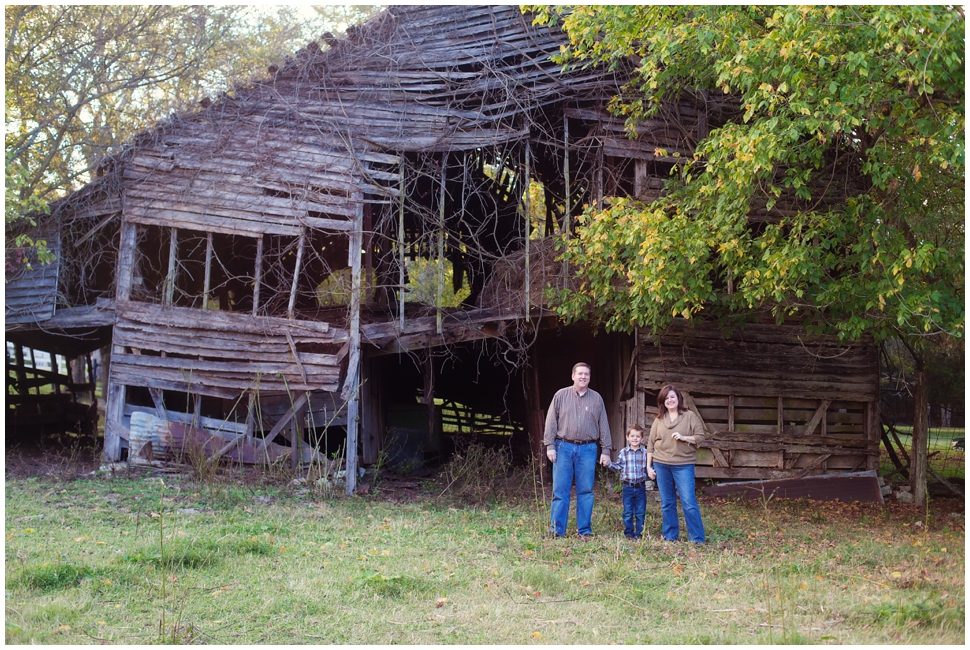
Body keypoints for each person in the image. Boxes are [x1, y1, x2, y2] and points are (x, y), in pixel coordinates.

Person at [543, 362, 612, 538]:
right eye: (580, 373)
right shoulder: (560, 395)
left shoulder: (597, 398)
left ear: (589, 377)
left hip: (588, 449)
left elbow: (603, 424)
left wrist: (606, 450)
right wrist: (550, 446)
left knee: (586, 490)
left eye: (586, 374)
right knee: (560, 490)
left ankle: (585, 531)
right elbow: (550, 421)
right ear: (572, 376)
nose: (583, 377)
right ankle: (556, 531)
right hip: (563, 447)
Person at [646, 384, 706, 543]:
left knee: (688, 501)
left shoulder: (689, 416)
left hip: (683, 465)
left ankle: (697, 539)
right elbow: (651, 444)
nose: (669, 400)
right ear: (662, 401)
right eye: (666, 398)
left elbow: (700, 437)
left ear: (678, 398)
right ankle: (670, 536)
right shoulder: (659, 419)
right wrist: (648, 467)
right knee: (667, 502)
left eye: (672, 397)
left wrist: (684, 438)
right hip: (661, 464)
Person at [605, 424, 648, 539]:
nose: (635, 438)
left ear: (642, 439)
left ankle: (639, 533)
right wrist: (609, 464)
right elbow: (618, 466)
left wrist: (651, 473)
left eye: (638, 436)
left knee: (640, 511)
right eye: (632, 436)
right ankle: (628, 533)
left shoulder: (645, 453)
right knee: (628, 511)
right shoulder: (624, 452)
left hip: (640, 486)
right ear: (627, 437)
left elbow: (648, 468)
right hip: (627, 486)